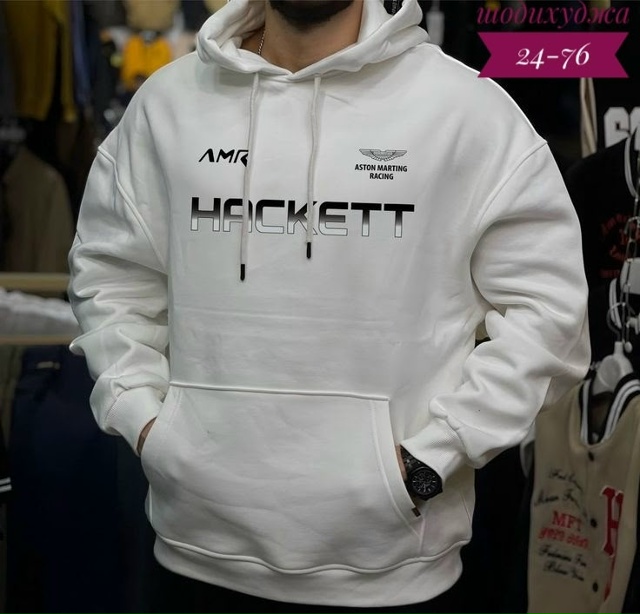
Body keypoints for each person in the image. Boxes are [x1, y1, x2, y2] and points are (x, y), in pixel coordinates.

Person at [67, 0, 591, 612]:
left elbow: (549, 316)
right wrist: (144, 420)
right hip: (192, 554)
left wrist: (433, 457)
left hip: (392, 568)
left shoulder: (466, 112)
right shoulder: (169, 104)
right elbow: (110, 276)